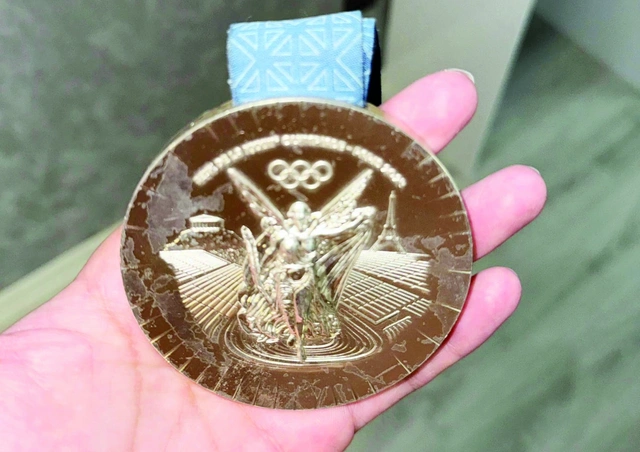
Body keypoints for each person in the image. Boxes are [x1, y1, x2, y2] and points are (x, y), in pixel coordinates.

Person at [0, 70, 546, 451]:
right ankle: (282, 327)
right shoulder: (279, 230)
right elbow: (272, 230)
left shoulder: (316, 230)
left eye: (306, 212)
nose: (300, 215)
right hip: (280, 281)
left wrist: (346, 224)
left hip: (310, 280)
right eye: (296, 212)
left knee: (311, 300)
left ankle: (305, 329)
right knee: (281, 300)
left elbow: (344, 222)